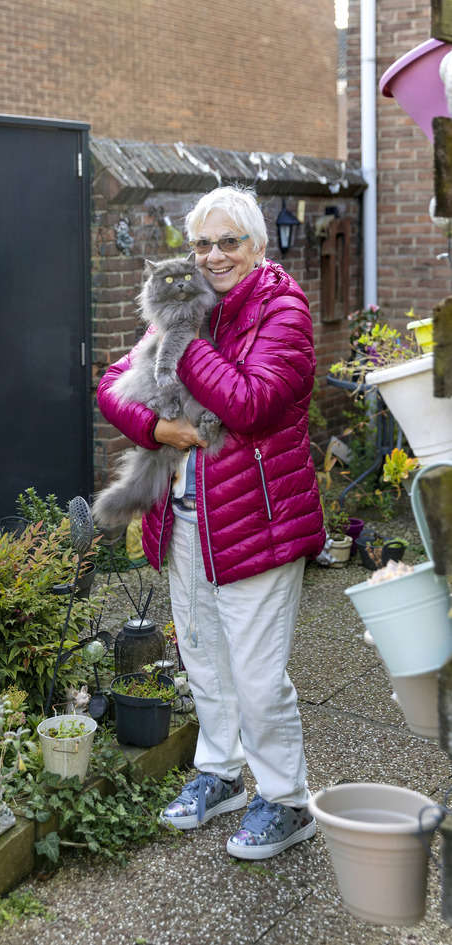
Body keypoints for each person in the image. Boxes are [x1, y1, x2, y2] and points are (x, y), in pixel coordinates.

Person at [96, 185, 325, 860]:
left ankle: (287, 799)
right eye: (202, 243)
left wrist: (183, 337)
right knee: (202, 657)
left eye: (229, 241)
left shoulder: (282, 309)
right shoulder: (187, 303)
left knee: (257, 676)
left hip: (258, 524)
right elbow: (113, 384)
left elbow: (250, 404)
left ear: (256, 244)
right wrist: (158, 423)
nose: (214, 255)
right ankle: (221, 773)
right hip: (185, 516)